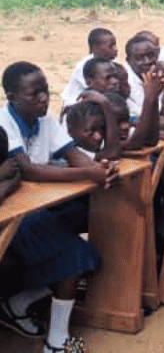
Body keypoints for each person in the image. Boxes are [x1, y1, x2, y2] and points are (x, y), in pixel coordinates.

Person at [0, 62, 117, 352]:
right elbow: (29, 171)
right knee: (77, 254)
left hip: (38, 209)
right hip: (14, 215)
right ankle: (56, 341)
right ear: (12, 96)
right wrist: (88, 173)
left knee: (91, 220)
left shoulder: (45, 119)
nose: (43, 98)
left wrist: (100, 168)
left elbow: (73, 154)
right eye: (34, 94)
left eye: (45, 91)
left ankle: (19, 303)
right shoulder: (4, 121)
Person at [61, 28, 118, 107]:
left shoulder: (110, 64)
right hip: (76, 108)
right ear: (95, 48)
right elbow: (100, 90)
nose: (116, 49)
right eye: (111, 46)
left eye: (115, 45)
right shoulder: (85, 66)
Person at [124, 35, 164, 121]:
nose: (147, 61)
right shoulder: (125, 80)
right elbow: (147, 119)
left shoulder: (161, 70)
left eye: (150, 55)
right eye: (139, 58)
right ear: (128, 60)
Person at [65, 92, 120, 161]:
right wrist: (106, 105)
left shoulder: (88, 148)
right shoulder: (73, 151)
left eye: (102, 129)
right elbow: (111, 153)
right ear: (70, 130)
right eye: (91, 131)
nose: (98, 137)